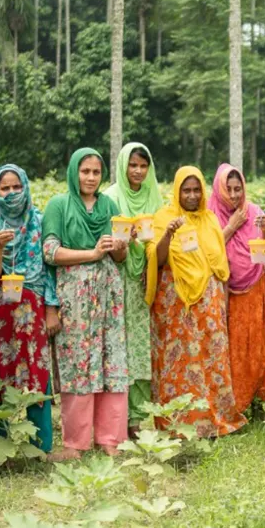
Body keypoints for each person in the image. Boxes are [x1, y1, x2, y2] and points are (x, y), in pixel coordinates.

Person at [146, 166, 247, 437]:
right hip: (175, 301)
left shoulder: (210, 219)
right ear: (177, 192)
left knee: (210, 357)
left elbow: (218, 263)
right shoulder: (164, 217)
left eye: (195, 190)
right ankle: (179, 423)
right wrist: (168, 233)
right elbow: (158, 259)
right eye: (186, 190)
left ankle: (215, 418)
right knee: (179, 359)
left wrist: (220, 300)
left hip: (209, 301)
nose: (191, 196)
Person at [42, 148, 129, 461]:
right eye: (85, 171)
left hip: (109, 293)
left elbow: (121, 256)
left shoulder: (109, 205)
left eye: (95, 172)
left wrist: (118, 247)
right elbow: (50, 252)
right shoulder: (59, 205)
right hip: (74, 295)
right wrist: (90, 254)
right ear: (73, 172)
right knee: (78, 363)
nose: (91, 178)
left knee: (111, 361)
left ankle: (111, 439)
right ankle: (76, 443)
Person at [0, 164, 57, 454]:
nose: (11, 193)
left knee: (37, 373)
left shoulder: (40, 221)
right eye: (4, 188)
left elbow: (49, 271)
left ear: (25, 186)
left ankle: (40, 447)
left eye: (16, 186)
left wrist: (51, 309)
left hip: (32, 310)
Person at [102, 142, 163, 436]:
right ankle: (116, 420)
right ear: (123, 165)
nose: (138, 171)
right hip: (116, 281)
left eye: (143, 166)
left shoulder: (155, 197)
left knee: (141, 350)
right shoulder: (111, 198)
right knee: (118, 348)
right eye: (133, 165)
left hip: (145, 282)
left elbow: (161, 237)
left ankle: (137, 420)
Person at [208, 163, 265, 415]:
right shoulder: (209, 214)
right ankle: (230, 402)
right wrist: (232, 226)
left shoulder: (253, 210)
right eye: (229, 189)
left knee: (253, 344)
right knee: (230, 345)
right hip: (224, 288)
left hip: (254, 286)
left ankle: (255, 399)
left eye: (238, 189)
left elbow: (262, 248)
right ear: (219, 189)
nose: (234, 195)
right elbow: (210, 250)